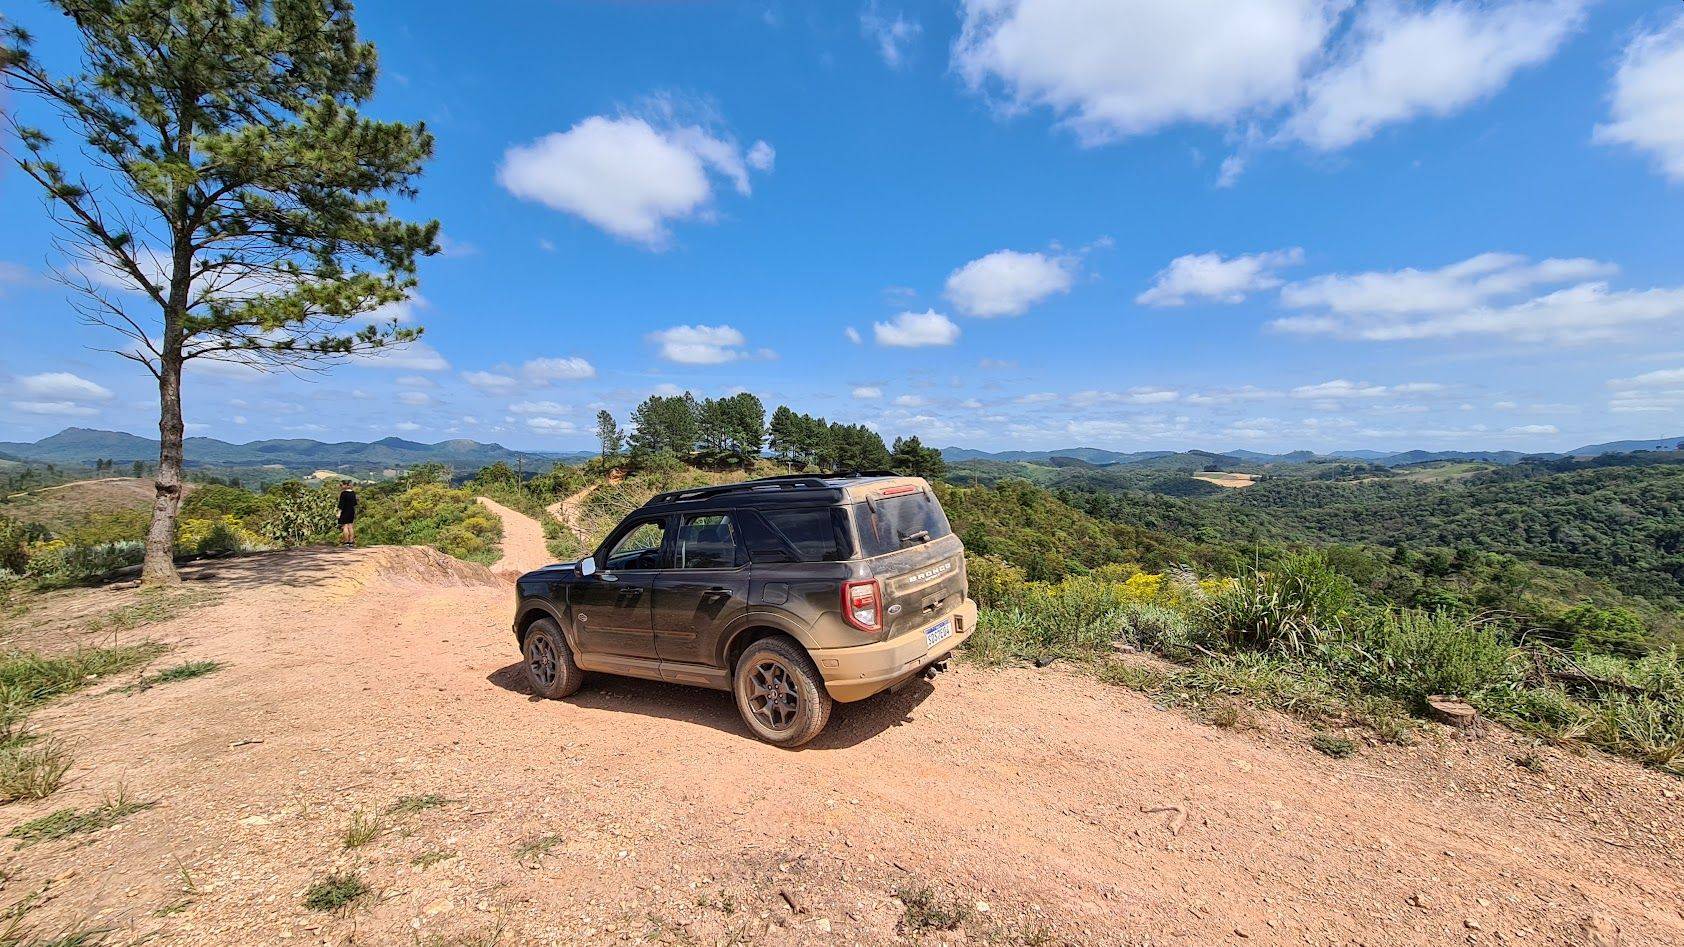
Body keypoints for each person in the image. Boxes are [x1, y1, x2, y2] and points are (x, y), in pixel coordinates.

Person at [337, 480, 358, 547]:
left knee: (345, 526)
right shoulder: (353, 493)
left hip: (345, 511)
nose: (341, 487)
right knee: (350, 526)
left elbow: (341, 504)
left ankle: (346, 542)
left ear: (345, 485)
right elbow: (355, 503)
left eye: (341, 485)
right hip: (351, 510)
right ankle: (351, 541)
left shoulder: (343, 493)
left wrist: (339, 513)